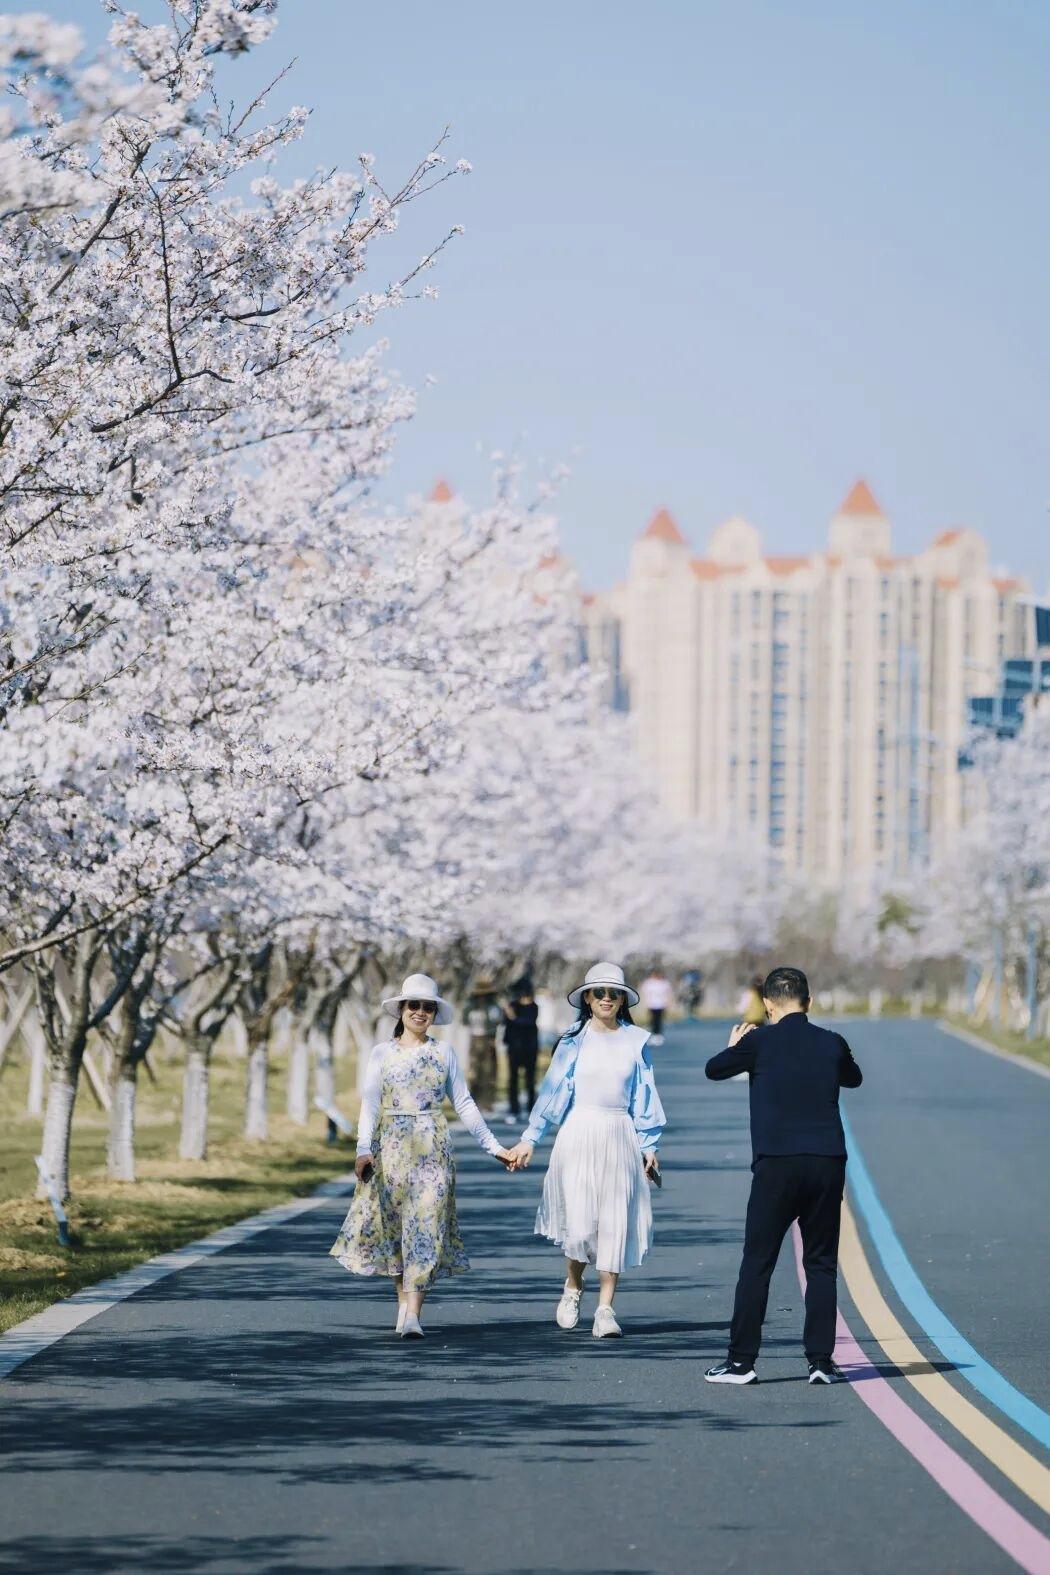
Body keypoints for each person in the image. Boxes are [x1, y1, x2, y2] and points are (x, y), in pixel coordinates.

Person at [702, 966, 863, 1385]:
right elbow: (854, 1078)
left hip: (776, 1163)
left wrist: (736, 1046)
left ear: (768, 1004)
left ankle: (741, 1362)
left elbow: (714, 1069)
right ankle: (820, 1362)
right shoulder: (831, 1041)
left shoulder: (758, 1042)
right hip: (826, 1162)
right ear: (808, 1002)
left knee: (758, 1262)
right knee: (821, 1264)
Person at [330, 973, 513, 1338]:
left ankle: (414, 1313)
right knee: (396, 1230)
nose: (420, 1012)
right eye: (414, 1005)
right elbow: (370, 1103)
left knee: (426, 1226)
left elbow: (463, 1103)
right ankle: (403, 1302)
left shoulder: (443, 1052)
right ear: (402, 1009)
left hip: (433, 1147)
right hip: (390, 1148)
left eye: (428, 1007)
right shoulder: (382, 1053)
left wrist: (494, 1147)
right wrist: (363, 1149)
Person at [506, 961, 665, 1339]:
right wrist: (530, 1138)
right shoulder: (572, 1041)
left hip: (619, 1134)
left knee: (614, 1222)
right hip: (578, 1133)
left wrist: (648, 1145)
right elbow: (552, 1092)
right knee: (580, 1224)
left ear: (622, 1000)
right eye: (599, 993)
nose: (606, 999)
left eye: (614, 994)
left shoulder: (636, 1041)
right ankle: (573, 1285)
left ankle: (606, 1309)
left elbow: (644, 1096)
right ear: (588, 999)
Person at [503, 975, 540, 1125]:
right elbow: (506, 1024)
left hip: (529, 1047)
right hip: (514, 1048)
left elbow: (526, 1022)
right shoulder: (512, 1005)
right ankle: (514, 1109)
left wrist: (512, 1016)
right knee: (513, 1079)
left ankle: (531, 1108)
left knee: (530, 1079)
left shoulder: (533, 1007)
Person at [465, 976, 502, 1113]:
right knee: (474, 1071)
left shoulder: (493, 1008)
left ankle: (487, 1102)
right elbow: (465, 1019)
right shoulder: (471, 1007)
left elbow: (497, 1021)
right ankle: (474, 1100)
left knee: (488, 1072)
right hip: (474, 1039)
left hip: (488, 1040)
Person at [639, 966, 673, 1045]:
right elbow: (644, 993)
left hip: (661, 1004)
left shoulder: (664, 983)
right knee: (652, 1020)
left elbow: (668, 993)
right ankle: (653, 1035)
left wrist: (669, 1003)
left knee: (659, 1020)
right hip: (651, 1004)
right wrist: (644, 1004)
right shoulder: (648, 983)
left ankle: (658, 1035)